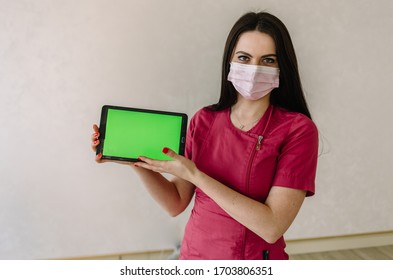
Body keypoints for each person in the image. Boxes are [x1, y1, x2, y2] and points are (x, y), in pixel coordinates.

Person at [91, 11, 318, 260]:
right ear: (229, 62)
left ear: (282, 67)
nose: (254, 70)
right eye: (244, 58)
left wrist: (196, 175)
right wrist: (132, 159)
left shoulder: (298, 130)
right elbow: (175, 203)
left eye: (267, 60)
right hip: (194, 257)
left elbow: (272, 227)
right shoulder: (204, 120)